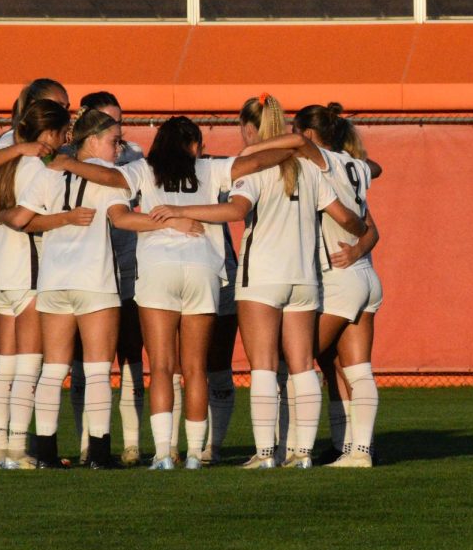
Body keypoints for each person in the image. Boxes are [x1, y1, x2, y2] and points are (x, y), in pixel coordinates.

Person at [54, 114, 300, 469]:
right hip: (203, 267)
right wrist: (295, 144)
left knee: (163, 367)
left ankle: (164, 453)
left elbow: (108, 176)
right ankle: (196, 455)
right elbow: (258, 161)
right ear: (194, 145)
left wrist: (68, 162)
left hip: (157, 268)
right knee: (196, 368)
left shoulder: (142, 168)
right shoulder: (210, 168)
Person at [153, 95, 365, 469]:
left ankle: (266, 454)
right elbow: (344, 215)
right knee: (302, 365)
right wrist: (362, 233)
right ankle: (301, 454)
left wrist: (181, 210)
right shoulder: (311, 166)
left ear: (251, 129)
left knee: (264, 367)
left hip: (262, 278)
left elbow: (236, 211)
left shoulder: (252, 169)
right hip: (304, 278)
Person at [4, 107, 136, 468]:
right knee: (96, 370)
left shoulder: (50, 173)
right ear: (91, 141)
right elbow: (121, 211)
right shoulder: (108, 176)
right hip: (94, 280)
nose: (118, 148)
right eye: (113, 141)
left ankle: (45, 451)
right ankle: (98, 453)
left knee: (52, 370)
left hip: (53, 281)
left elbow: (19, 219)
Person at [0, 78, 68, 468]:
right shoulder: (29, 159)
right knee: (24, 363)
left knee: (4, 364)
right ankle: (4, 449)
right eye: (60, 109)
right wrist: (68, 218)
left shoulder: (13, 163)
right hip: (23, 269)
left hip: (6, 272)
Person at [291, 103, 382, 468]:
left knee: (296, 361)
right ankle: (358, 450)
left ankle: (297, 448)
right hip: (365, 276)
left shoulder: (323, 167)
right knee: (352, 368)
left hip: (339, 279)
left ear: (309, 136)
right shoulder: (357, 166)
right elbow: (373, 224)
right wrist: (359, 247)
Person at [63, 91, 148, 466]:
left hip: (126, 264)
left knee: (130, 355)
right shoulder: (66, 160)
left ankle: (131, 443)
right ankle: (88, 441)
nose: (118, 131)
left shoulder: (134, 155)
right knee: (82, 362)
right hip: (83, 269)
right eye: (107, 122)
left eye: (119, 121)